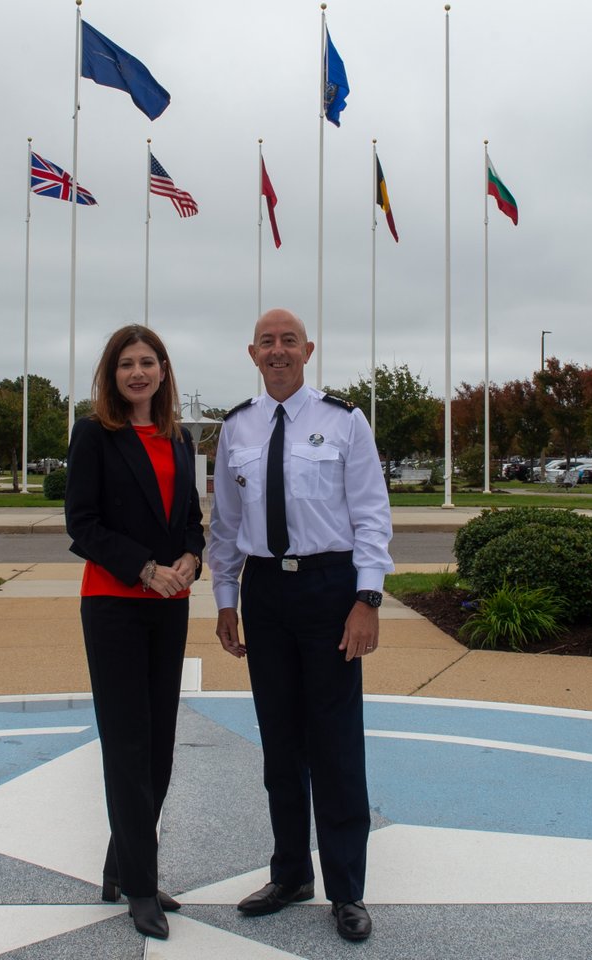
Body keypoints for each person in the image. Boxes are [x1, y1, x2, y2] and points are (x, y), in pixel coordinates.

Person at [208, 308, 393, 943]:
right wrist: (225, 600)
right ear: (252, 353)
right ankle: (290, 873)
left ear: (308, 350)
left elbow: (371, 513)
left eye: (289, 341)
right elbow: (226, 527)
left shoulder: (345, 421)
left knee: (336, 745)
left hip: (329, 590)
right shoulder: (236, 429)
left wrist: (367, 597)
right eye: (267, 342)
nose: (279, 351)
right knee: (281, 745)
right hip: (265, 593)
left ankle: (346, 889)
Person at [64, 323, 204, 941]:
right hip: (116, 603)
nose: (138, 372)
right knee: (127, 745)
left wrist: (190, 560)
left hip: (169, 605)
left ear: (164, 371)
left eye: (149, 362)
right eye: (127, 364)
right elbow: (83, 525)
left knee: (160, 744)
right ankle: (142, 889)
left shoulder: (178, 440)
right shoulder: (95, 434)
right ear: (111, 374)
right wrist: (145, 569)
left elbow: (191, 520)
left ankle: (122, 865)